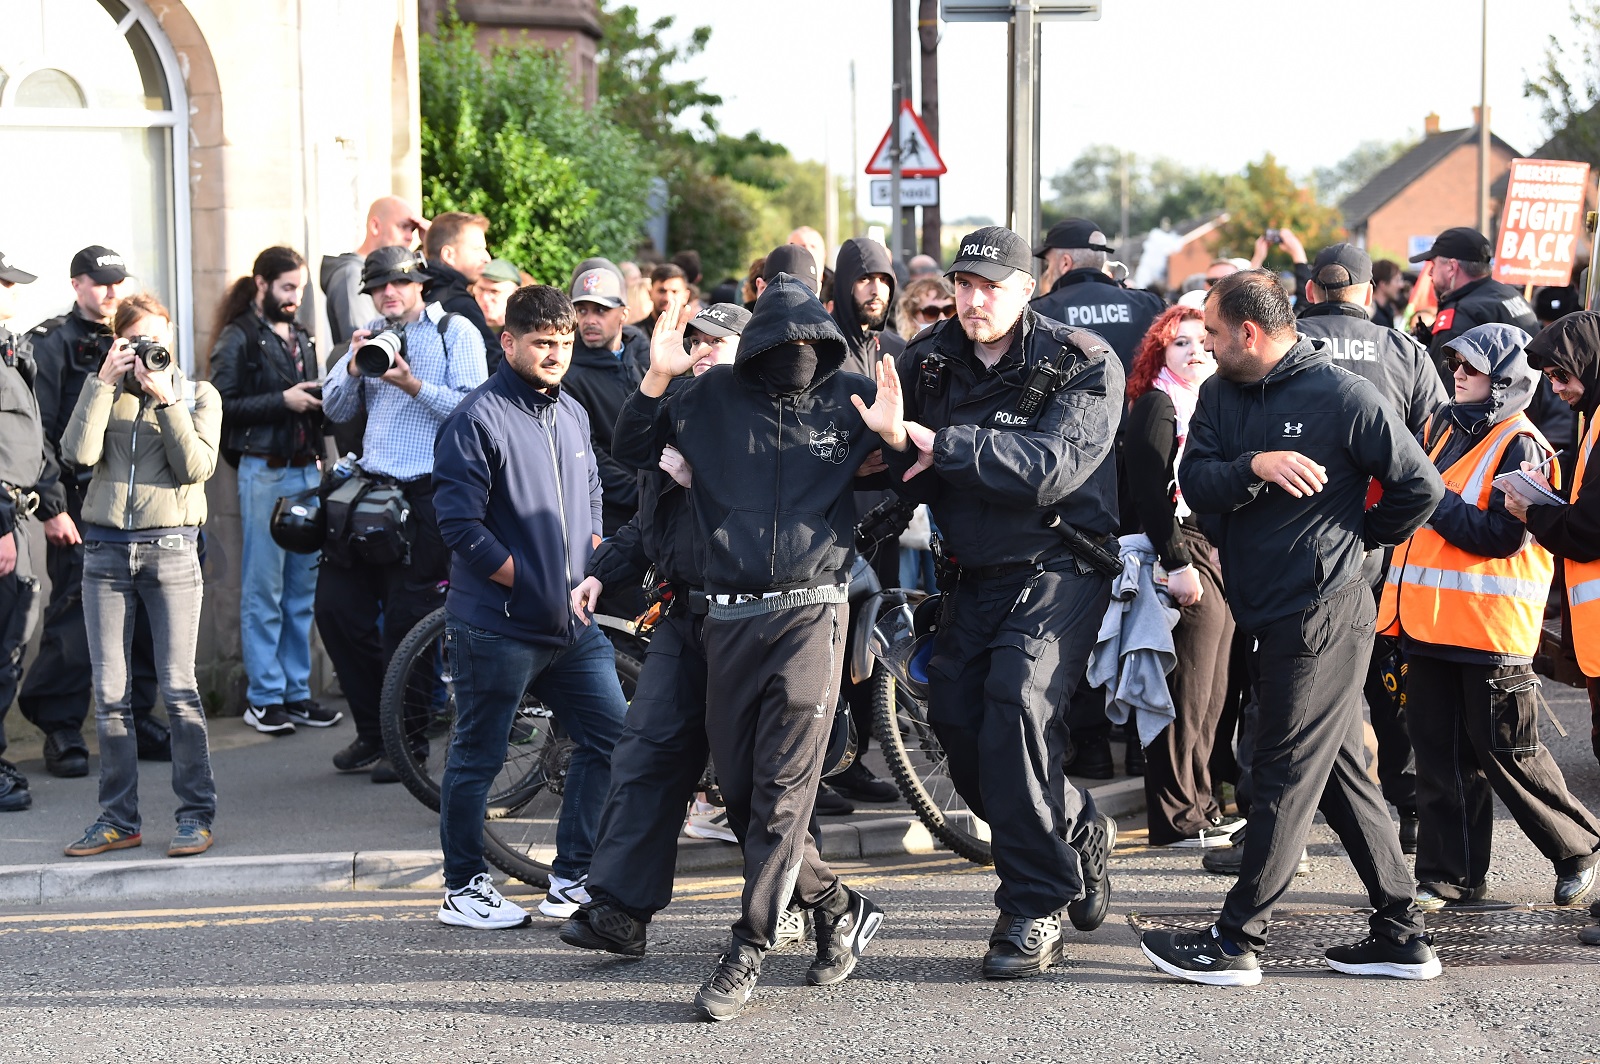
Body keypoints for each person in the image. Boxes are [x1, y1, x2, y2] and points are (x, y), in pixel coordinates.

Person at [1139, 270, 1445, 986]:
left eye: (1213, 333)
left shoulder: (1344, 396)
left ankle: (1237, 939)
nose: (1205, 346)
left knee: (1274, 768)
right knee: (1338, 773)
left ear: (1249, 332)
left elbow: (1420, 487)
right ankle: (1401, 934)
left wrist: (1361, 541)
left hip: (1326, 610)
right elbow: (1199, 483)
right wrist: (1256, 465)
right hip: (1264, 606)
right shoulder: (1218, 394)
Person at [613, 277, 884, 1022]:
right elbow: (632, 445)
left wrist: (891, 444)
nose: (796, 354)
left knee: (783, 794)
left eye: (809, 342)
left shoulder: (853, 395)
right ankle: (837, 904)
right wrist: (658, 377)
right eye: (782, 341)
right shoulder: (707, 397)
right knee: (744, 799)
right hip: (727, 621)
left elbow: (917, 482)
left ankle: (747, 948)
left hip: (812, 614)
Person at [860, 225, 1121, 979]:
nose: (974, 302)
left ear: (1029, 287)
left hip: (1058, 565)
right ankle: (1074, 824)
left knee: (1017, 702)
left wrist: (942, 446)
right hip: (972, 573)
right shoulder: (929, 358)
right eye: (965, 286)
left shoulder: (1080, 361)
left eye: (992, 287)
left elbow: (1051, 467)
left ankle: (1033, 905)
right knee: (959, 730)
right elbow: (882, 444)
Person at [558, 302, 794, 956]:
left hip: (755, 620)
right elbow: (648, 515)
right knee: (647, 752)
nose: (706, 351)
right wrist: (604, 570)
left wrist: (711, 478)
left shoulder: (775, 407)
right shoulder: (681, 406)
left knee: (762, 775)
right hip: (685, 615)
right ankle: (620, 910)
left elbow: (780, 512)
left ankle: (798, 898)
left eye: (721, 342)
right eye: (698, 341)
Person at [1379, 323, 1600, 911]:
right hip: (1427, 625)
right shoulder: (1441, 426)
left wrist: (1431, 497)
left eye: (1472, 369)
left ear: (1503, 380)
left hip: (1489, 630)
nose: (1458, 375)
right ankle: (1449, 877)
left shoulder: (1522, 443)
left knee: (1507, 752)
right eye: (1456, 365)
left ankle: (1577, 848)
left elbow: (1502, 537)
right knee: (1439, 758)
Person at [431, 284, 627, 928]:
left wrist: (593, 560)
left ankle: (571, 877)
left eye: (564, 343)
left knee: (612, 739)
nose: (556, 355)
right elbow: (461, 530)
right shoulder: (476, 419)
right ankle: (463, 887)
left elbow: (592, 491)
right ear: (508, 342)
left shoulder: (570, 411)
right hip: (498, 627)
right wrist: (536, 582)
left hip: (572, 621)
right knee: (478, 755)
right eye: (543, 343)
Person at [1293, 241, 1449, 856]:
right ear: (1366, 292)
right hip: (1384, 540)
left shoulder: (1286, 348)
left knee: (1293, 679)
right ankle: (1406, 807)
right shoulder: (1403, 351)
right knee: (1391, 674)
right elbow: (1437, 440)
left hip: (1296, 540)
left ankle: (1283, 822)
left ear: (1310, 292)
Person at [58, 293, 223, 858]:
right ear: (116, 342)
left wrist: (166, 400)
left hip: (172, 550)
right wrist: (103, 384)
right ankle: (118, 819)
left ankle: (195, 816)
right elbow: (76, 455)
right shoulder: (103, 390)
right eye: (136, 340)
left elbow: (197, 468)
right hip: (104, 554)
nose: (151, 349)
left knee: (178, 691)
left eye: (159, 337)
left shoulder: (199, 393)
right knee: (109, 695)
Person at [316, 246, 487, 781]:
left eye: (398, 284)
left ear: (421, 286)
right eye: (378, 286)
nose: (388, 294)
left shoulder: (454, 331)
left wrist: (412, 383)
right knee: (336, 610)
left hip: (430, 496)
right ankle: (374, 730)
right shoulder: (368, 333)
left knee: (408, 624)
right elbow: (335, 410)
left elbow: (474, 411)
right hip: (369, 491)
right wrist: (351, 365)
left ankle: (407, 743)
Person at [21, 245, 167, 778]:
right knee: (74, 621)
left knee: (149, 616)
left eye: (117, 283)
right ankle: (60, 728)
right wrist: (53, 508)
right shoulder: (52, 343)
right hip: (80, 502)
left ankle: (140, 715)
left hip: (138, 500)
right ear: (77, 284)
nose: (110, 293)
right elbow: (37, 436)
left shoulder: (137, 337)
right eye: (101, 283)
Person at [208, 246, 340, 736]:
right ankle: (264, 697)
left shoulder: (301, 335)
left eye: (300, 289)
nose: (295, 298)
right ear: (261, 284)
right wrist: (282, 400)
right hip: (263, 471)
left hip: (307, 470)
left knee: (302, 590)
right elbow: (218, 403)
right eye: (287, 288)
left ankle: (295, 693)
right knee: (264, 587)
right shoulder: (238, 335)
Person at [1121, 305, 1238, 848]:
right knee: (1184, 690)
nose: (1195, 352)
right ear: (1159, 355)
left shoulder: (1209, 405)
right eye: (1180, 344)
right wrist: (1179, 564)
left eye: (1202, 342)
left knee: (1212, 692)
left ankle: (1203, 806)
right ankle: (1177, 818)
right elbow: (1150, 495)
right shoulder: (1157, 405)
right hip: (1178, 549)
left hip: (1211, 549)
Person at [1514, 312, 1600, 770]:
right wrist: (1552, 479)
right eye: (1548, 378)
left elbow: (1589, 530)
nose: (1555, 388)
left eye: (1561, 375)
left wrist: (1533, 512)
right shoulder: (1594, 415)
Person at [0, 251, 49, 812]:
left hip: (19, 512)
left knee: (11, 643)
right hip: (3, 519)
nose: (17, 294)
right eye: (11, 284)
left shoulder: (11, 349)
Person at [559, 262, 652, 540]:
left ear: (624, 313)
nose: (589, 320)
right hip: (609, 516)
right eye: (582, 310)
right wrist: (642, 495)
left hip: (654, 506)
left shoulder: (640, 352)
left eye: (601, 310)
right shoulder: (568, 373)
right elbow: (589, 452)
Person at [1030, 218, 1165, 373]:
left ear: (1065, 263)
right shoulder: (1149, 305)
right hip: (1140, 397)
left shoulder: (1039, 312)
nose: (1047, 272)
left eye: (1049, 263)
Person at [320, 196, 428, 347]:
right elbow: (362, 345)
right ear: (375, 226)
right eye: (403, 226)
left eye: (412, 229)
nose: (410, 237)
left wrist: (431, 244)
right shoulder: (353, 273)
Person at [422, 211, 497, 355]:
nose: (486, 258)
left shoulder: (412, 291)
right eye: (477, 249)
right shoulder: (459, 303)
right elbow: (493, 362)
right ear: (448, 255)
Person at [895, 276, 956, 342]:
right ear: (910, 317)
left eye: (949, 310)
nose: (942, 318)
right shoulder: (899, 350)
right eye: (931, 312)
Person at [471, 258, 520, 334]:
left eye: (494, 292)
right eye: (480, 289)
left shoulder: (528, 330)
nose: (485, 298)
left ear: (515, 294)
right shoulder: (462, 326)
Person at [643, 263, 690, 332]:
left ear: (686, 296)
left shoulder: (695, 337)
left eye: (674, 291)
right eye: (662, 291)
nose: (667, 298)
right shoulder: (634, 337)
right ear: (650, 293)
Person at [1371, 259, 1406, 330]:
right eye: (1397, 280)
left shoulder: (1387, 311)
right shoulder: (1372, 316)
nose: (1401, 285)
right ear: (1383, 284)